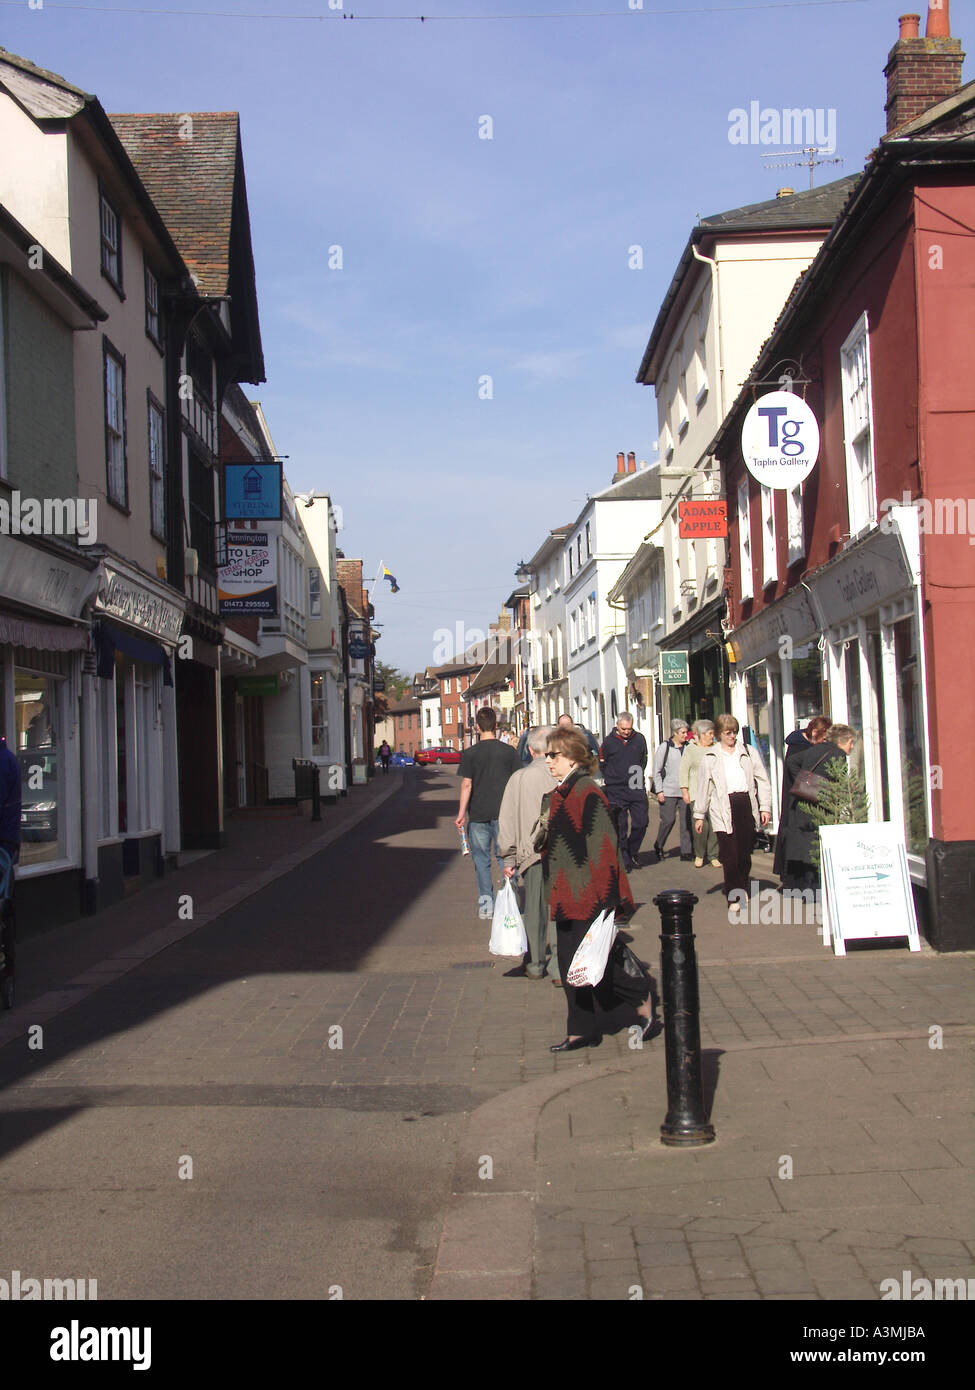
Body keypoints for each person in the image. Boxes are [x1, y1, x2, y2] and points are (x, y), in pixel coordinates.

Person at [541, 726, 654, 1052]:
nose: (549, 761)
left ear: (573, 757)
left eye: (554, 755)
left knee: (596, 962)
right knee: (568, 965)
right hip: (565, 894)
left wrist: (607, 900)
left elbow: (604, 847)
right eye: (548, 755)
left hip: (587, 894)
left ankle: (640, 995)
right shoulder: (562, 792)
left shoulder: (587, 792)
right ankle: (581, 1029)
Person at [693, 713, 771, 920]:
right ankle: (734, 896)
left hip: (744, 804)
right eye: (728, 733)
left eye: (734, 732)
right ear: (719, 734)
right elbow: (703, 787)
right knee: (730, 854)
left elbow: (762, 780)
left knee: (745, 854)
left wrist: (765, 807)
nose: (732, 736)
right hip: (722, 807)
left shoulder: (748, 753)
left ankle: (742, 884)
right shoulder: (710, 757)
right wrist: (699, 815)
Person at [498, 726, 559, 981]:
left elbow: (508, 820)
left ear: (531, 750)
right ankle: (559, 966)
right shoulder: (564, 775)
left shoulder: (519, 778)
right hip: (561, 852)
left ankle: (535, 963)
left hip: (531, 852)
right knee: (558, 907)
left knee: (533, 908)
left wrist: (508, 857)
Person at [455, 707, 520, 916]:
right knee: (506, 859)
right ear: (496, 726)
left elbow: (467, 785)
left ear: (476, 727)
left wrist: (461, 814)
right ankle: (509, 904)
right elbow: (516, 782)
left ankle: (487, 907)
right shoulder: (509, 752)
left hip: (478, 814)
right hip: (504, 814)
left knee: (481, 861)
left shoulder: (470, 754)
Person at [780, 723, 859, 890]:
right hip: (820, 806)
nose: (852, 747)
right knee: (816, 846)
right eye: (851, 742)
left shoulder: (816, 748)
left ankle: (805, 889)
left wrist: (802, 782)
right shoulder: (838, 754)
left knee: (806, 846)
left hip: (802, 802)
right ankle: (815, 890)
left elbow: (792, 761)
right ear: (844, 741)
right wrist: (821, 789)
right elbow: (838, 782)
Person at [774, 715, 831, 886]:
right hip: (797, 799)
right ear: (814, 733)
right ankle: (794, 880)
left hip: (803, 795)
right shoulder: (798, 749)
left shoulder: (800, 746)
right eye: (824, 738)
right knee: (796, 839)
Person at [598, 712, 649, 872]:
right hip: (616, 790)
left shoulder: (639, 739)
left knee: (641, 822)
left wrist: (636, 775)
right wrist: (612, 778)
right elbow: (602, 763)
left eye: (629, 728)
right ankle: (624, 859)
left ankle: (632, 851)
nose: (627, 731)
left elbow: (643, 760)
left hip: (636, 787)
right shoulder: (608, 742)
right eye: (623, 729)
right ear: (617, 726)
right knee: (620, 826)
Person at [679, 720, 721, 868]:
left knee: (716, 823)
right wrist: (685, 790)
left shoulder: (717, 748)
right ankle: (699, 854)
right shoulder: (691, 749)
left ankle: (713, 855)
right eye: (709, 734)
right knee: (701, 825)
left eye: (713, 733)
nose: (712, 736)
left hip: (715, 793)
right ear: (702, 735)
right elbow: (684, 770)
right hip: (696, 792)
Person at [650, 719, 692, 860]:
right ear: (675, 733)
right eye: (683, 732)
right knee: (668, 820)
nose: (686, 735)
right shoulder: (665, 747)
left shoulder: (689, 747)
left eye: (687, 732)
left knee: (686, 822)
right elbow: (656, 770)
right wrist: (659, 791)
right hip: (668, 790)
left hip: (685, 791)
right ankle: (659, 844)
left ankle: (686, 852)